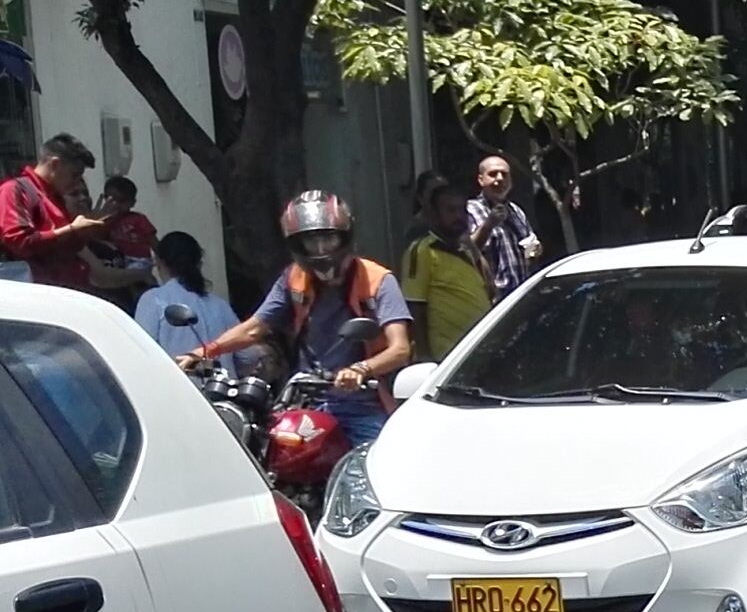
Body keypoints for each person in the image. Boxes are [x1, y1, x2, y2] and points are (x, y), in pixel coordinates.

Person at [179, 191, 415, 446]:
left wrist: (361, 369)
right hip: (304, 401)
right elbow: (254, 329)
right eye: (311, 242)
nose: (321, 250)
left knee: (369, 469)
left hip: (362, 405)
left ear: (345, 236)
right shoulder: (293, 278)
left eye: (329, 239)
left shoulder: (378, 280)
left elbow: (400, 348)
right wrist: (203, 353)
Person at [0, 134, 117, 291]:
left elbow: (62, 250)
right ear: (54, 164)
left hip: (61, 291)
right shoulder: (16, 190)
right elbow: (20, 242)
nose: (76, 182)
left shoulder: (54, 196)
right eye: (74, 175)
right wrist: (71, 229)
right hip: (29, 295)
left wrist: (86, 232)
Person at [398, 172, 492, 360]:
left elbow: (489, 291)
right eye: (450, 210)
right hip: (446, 361)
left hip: (479, 354)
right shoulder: (422, 250)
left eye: (462, 210)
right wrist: (424, 360)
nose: (459, 216)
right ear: (433, 214)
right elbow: (415, 308)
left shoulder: (467, 251)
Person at [133, 230, 239, 371]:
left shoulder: (153, 299)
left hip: (177, 390)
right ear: (199, 264)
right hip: (222, 389)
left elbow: (141, 353)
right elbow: (248, 356)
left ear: (159, 263)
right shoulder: (220, 305)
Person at [467, 153, 545, 296]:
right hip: (491, 300)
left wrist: (535, 250)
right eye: (493, 174)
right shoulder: (470, 210)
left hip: (521, 296)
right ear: (481, 179)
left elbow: (530, 248)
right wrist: (488, 225)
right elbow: (466, 251)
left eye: (504, 174)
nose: (499, 179)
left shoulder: (517, 212)